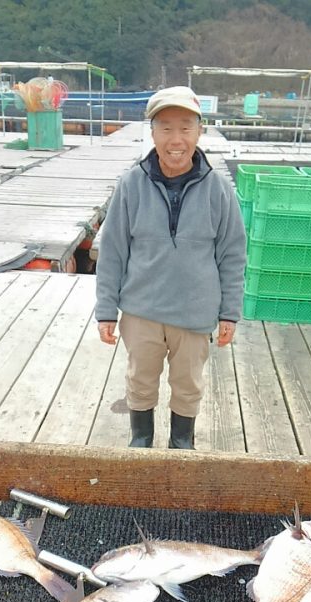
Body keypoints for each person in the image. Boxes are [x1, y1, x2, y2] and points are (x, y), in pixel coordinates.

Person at [95, 85, 246, 449]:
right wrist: (105, 311)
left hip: (195, 315)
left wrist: (230, 314)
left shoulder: (219, 189)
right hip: (141, 310)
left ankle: (182, 445)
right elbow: (112, 250)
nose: (175, 139)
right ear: (152, 133)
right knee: (140, 381)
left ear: (199, 131)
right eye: (165, 127)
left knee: (189, 384)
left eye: (184, 127)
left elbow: (232, 254)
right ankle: (141, 440)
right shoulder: (131, 184)